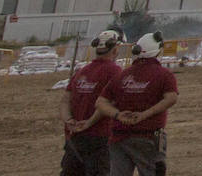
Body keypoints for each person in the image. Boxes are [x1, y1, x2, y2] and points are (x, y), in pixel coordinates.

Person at [96, 31, 178, 176]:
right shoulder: (164, 75)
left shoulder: (123, 75)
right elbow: (171, 98)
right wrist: (145, 115)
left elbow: (101, 102)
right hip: (148, 137)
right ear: (158, 50)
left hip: (119, 137)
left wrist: (118, 115)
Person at [60, 27, 126, 176]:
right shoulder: (115, 71)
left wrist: (69, 120)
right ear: (115, 50)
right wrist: (89, 122)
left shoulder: (81, 71)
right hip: (100, 138)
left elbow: (65, 101)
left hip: (74, 138)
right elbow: (110, 103)